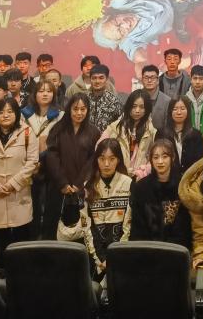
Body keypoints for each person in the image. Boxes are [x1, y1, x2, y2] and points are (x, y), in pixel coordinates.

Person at [0, 96, 39, 268]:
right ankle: (3, 271)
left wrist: (12, 184)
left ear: (17, 114)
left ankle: (21, 271)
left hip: (18, 193)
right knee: (0, 237)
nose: (5, 115)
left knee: (21, 236)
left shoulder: (27, 133)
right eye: (1, 112)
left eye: (10, 111)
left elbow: (32, 162)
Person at [92, 0, 174, 78]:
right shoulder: (129, 42)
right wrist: (144, 73)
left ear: (113, 15)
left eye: (116, 22)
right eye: (121, 31)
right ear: (122, 38)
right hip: (174, 15)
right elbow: (139, 60)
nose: (124, 24)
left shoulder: (121, 7)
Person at [45, 93, 102, 239]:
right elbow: (51, 157)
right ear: (69, 109)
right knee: (54, 231)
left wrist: (79, 184)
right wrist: (62, 183)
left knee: (82, 232)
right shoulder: (57, 129)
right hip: (58, 189)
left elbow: (93, 160)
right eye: (75, 109)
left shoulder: (94, 132)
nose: (79, 113)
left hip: (83, 190)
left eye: (83, 109)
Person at [80, 139, 133, 278]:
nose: (107, 164)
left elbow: (128, 225)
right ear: (96, 160)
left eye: (112, 159)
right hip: (96, 257)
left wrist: (117, 254)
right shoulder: (88, 186)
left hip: (122, 253)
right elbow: (87, 227)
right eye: (102, 159)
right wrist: (100, 258)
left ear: (118, 160)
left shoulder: (128, 184)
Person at [128, 139, 191, 248]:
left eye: (165, 156)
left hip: (176, 249)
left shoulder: (182, 186)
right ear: (151, 160)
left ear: (172, 158)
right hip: (146, 248)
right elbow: (137, 227)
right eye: (156, 157)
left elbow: (185, 228)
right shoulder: (141, 188)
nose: (160, 161)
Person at [23, 80, 63, 238]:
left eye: (49, 91)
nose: (45, 94)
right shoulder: (24, 115)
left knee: (51, 207)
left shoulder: (61, 116)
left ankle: (48, 239)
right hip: (29, 167)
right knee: (31, 207)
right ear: (34, 94)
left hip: (52, 167)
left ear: (54, 94)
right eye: (41, 91)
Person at [102, 89, 158, 180]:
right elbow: (100, 149)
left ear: (147, 109)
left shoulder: (152, 132)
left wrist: (143, 171)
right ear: (128, 106)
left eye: (142, 107)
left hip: (140, 179)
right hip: (116, 177)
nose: (137, 110)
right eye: (134, 106)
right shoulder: (114, 128)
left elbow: (155, 157)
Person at [160, 97, 203, 174]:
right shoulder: (162, 133)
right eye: (175, 109)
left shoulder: (196, 135)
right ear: (170, 111)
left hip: (190, 177)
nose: (179, 112)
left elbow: (199, 162)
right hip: (167, 177)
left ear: (188, 111)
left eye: (182, 109)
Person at [86, 64, 123, 132]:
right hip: (86, 138)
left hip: (107, 138)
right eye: (94, 78)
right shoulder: (84, 99)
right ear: (90, 79)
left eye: (101, 78)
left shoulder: (114, 101)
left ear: (107, 79)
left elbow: (121, 125)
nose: (97, 81)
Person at [139, 64, 171, 128]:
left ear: (158, 80)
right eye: (146, 78)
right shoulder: (135, 98)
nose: (149, 80)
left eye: (153, 77)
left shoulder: (167, 101)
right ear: (142, 80)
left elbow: (168, 126)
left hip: (160, 134)